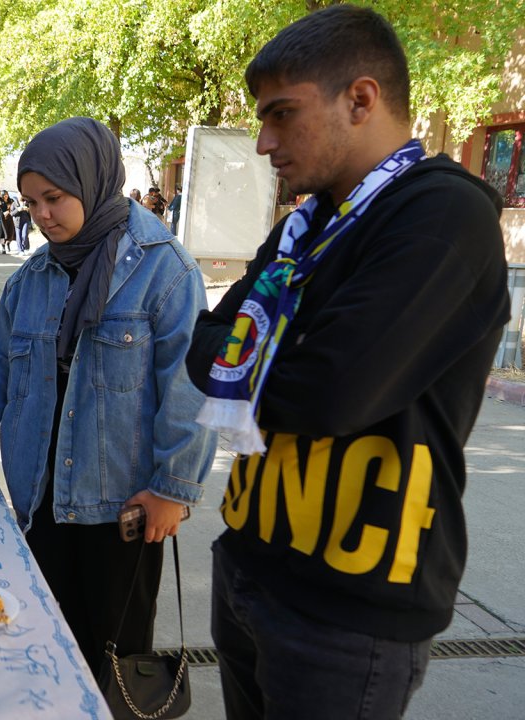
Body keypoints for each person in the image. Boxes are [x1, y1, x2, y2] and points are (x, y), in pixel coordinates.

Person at [185, 6, 510, 719]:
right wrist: (271, 351)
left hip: (348, 606)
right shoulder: (305, 227)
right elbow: (201, 343)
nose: (265, 143)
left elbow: (328, 393)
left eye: (282, 114)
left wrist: (249, 353)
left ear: (361, 99)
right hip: (249, 561)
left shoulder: (443, 214)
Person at [0, 118, 215, 673]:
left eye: (54, 198)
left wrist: (173, 488)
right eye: (31, 203)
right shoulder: (33, 276)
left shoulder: (165, 270)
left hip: (121, 507)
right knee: (43, 645)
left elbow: (191, 386)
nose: (42, 215)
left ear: (92, 181)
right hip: (40, 496)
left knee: (112, 660)